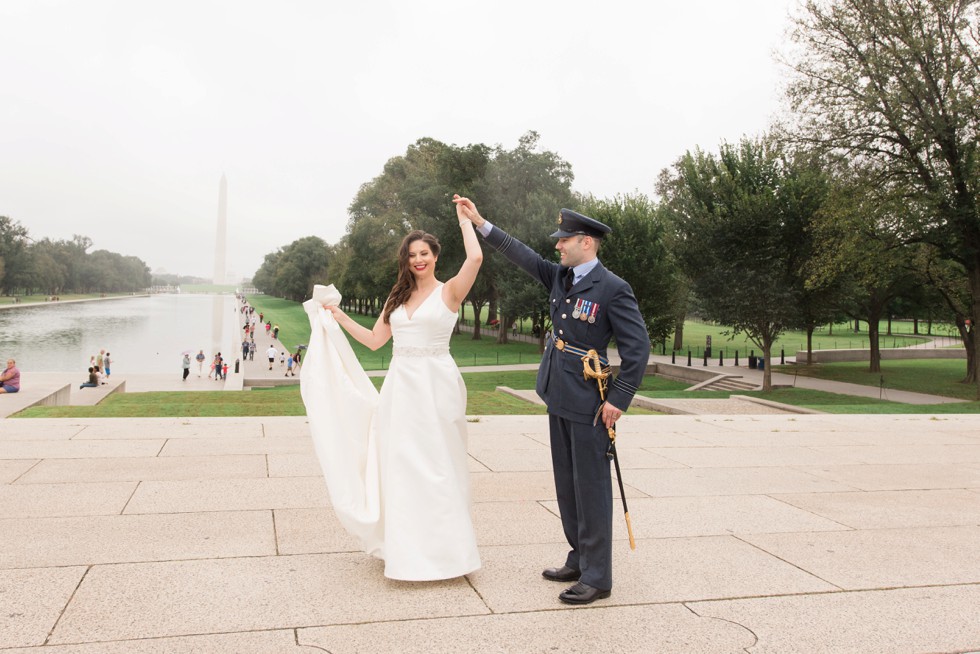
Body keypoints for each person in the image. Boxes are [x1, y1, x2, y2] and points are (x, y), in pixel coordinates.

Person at [455, 196, 651, 605]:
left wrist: (620, 400)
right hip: (559, 392)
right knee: (567, 484)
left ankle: (598, 577)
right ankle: (579, 558)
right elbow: (521, 254)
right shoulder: (561, 278)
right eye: (559, 240)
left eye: (565, 240)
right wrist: (479, 222)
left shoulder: (613, 289)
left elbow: (638, 349)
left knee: (592, 487)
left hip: (592, 402)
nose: (557, 246)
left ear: (588, 243)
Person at [311, 194, 483, 581]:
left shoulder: (450, 292)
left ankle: (449, 554)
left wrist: (465, 220)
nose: (417, 260)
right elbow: (375, 341)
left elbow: (475, 259)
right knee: (402, 468)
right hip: (400, 389)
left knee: (439, 467)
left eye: (424, 253)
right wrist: (337, 317)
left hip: (437, 386)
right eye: (411, 255)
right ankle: (405, 551)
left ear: (435, 256)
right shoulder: (397, 296)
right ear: (405, 260)